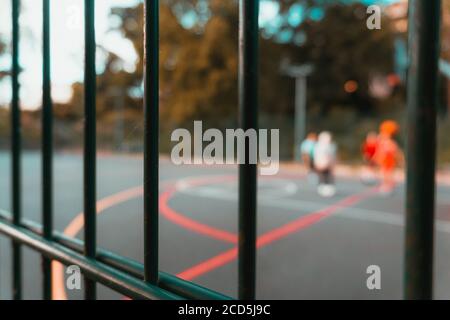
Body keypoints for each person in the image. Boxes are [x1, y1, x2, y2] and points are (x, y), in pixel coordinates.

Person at [373, 120, 403, 194]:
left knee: (387, 172)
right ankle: (387, 185)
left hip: (387, 158)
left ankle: (388, 186)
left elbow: (393, 150)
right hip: (385, 158)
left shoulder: (388, 142)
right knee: (385, 172)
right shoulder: (384, 140)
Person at [314, 131, 337, 198]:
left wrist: (331, 163)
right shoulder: (319, 146)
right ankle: (322, 187)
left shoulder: (331, 146)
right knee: (322, 175)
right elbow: (317, 155)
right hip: (322, 163)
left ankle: (329, 187)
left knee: (328, 175)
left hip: (327, 164)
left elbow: (332, 156)